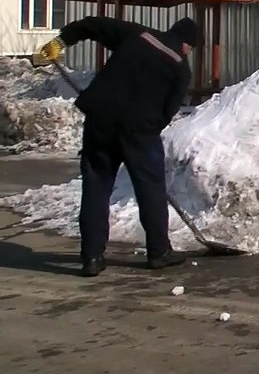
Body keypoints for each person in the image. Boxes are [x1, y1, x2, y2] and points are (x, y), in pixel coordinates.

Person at [32, 15, 203, 277]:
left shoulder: (139, 35)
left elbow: (93, 24)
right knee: (151, 189)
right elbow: (169, 110)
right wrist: (148, 128)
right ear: (187, 45)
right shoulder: (180, 68)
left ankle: (91, 257)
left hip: (101, 120)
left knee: (96, 186)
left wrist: (62, 40)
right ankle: (159, 252)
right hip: (140, 132)